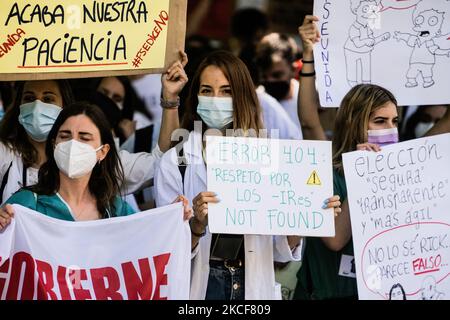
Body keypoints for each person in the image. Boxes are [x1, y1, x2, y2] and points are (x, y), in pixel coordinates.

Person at [154, 50, 341, 300]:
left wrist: (306, 214)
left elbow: (279, 252)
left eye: (226, 91)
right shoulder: (175, 163)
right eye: (207, 90)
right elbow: (165, 253)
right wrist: (197, 225)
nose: (216, 98)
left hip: (253, 284)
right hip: (201, 285)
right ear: (196, 96)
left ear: (242, 96)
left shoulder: (268, 158)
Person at [295, 15, 450, 300]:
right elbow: (335, 240)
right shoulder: (324, 169)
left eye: (394, 121)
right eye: (379, 121)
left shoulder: (406, 167)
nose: (390, 129)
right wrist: (364, 177)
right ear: (356, 122)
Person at [0, 52, 189, 205]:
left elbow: (162, 163)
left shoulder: (94, 158)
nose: (37, 106)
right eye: (29, 98)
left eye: (48, 99)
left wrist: (171, 100)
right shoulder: (5, 155)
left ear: (64, 107)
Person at [0, 102, 191, 230]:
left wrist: (171, 221)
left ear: (103, 151)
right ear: (53, 144)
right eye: (65, 136)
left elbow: (148, 242)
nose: (73, 144)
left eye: (84, 137)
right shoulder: (25, 204)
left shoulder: (115, 210)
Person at [255, 32, 304, 133]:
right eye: (264, 76)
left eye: (277, 75)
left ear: (293, 70)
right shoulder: (255, 103)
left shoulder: (309, 100)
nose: (270, 81)